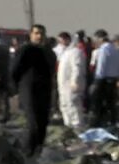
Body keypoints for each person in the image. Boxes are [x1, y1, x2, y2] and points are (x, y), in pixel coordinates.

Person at [11, 25, 55, 155]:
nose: (39, 36)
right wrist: (14, 89)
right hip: (29, 88)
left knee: (43, 122)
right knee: (33, 123)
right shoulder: (25, 50)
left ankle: (38, 150)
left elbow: (51, 70)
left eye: (41, 33)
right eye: (36, 33)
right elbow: (15, 70)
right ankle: (27, 152)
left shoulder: (48, 51)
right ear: (30, 35)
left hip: (45, 89)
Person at [54, 28, 91, 134]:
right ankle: (68, 126)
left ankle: (77, 127)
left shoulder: (76, 52)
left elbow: (77, 68)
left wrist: (75, 81)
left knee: (73, 106)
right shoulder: (65, 53)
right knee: (64, 105)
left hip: (71, 85)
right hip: (63, 85)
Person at [90, 29, 119, 128]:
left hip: (103, 80)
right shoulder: (115, 49)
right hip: (114, 79)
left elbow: (101, 66)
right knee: (111, 102)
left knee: (99, 103)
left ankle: (99, 123)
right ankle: (113, 121)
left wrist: (97, 81)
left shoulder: (103, 50)